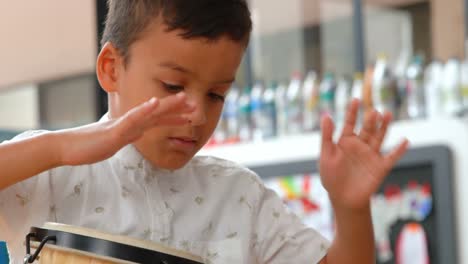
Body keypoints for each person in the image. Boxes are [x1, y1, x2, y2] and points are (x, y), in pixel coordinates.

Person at [0, 1, 408, 263]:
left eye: (216, 94)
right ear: (111, 69)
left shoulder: (240, 197)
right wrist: (63, 146)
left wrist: (350, 209)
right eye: (173, 87)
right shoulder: (49, 173)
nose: (196, 114)